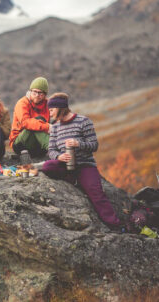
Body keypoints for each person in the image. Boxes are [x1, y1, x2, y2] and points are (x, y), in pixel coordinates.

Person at [41, 92, 123, 230]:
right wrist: (58, 157)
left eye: (51, 110)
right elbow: (51, 150)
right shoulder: (55, 127)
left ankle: (116, 225)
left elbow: (94, 145)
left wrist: (78, 143)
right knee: (48, 166)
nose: (50, 113)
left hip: (85, 165)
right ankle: (73, 179)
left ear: (61, 108)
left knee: (96, 194)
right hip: (65, 165)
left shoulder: (83, 121)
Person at [9, 77, 50, 160]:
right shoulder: (22, 103)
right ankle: (53, 148)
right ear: (30, 91)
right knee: (36, 122)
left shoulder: (48, 104)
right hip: (20, 143)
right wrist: (48, 126)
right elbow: (25, 122)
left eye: (40, 93)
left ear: (45, 94)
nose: (37, 95)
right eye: (35, 92)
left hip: (38, 146)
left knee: (39, 122)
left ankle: (55, 148)